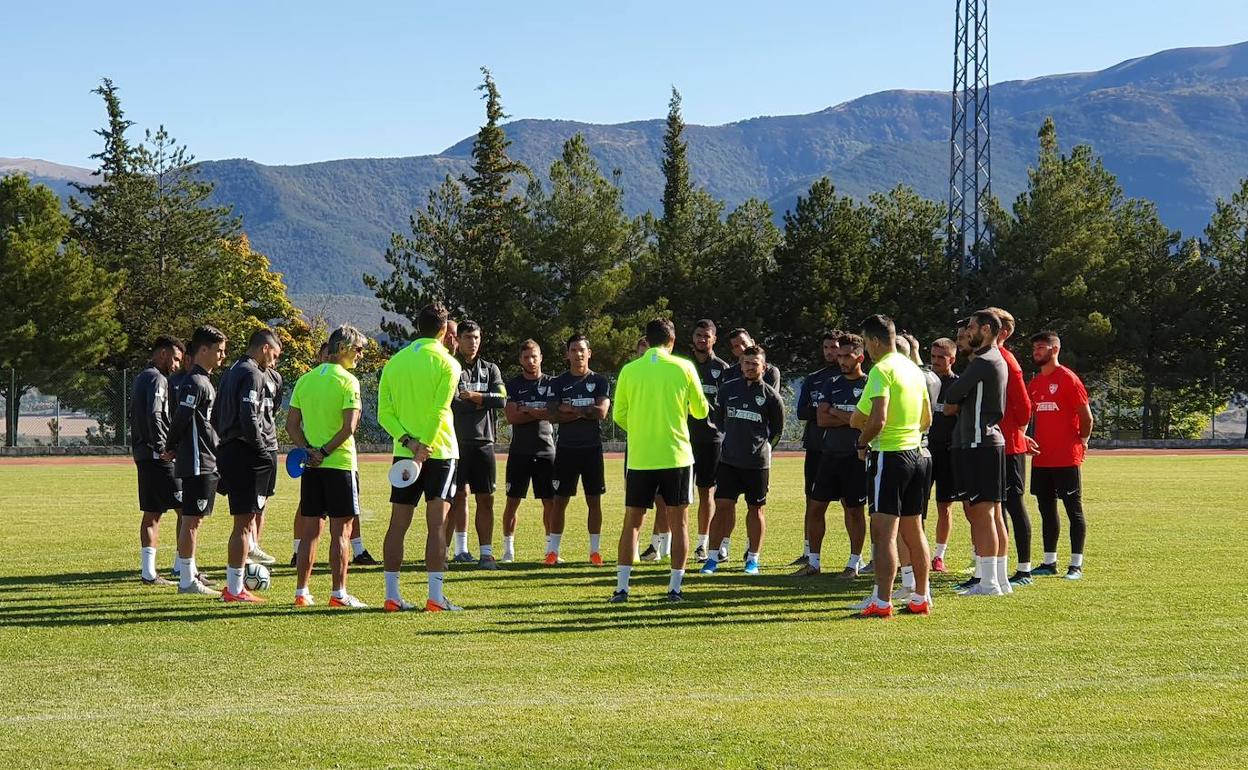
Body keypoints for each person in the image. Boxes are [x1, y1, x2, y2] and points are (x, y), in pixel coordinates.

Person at [609, 318, 710, 603]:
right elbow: (701, 411)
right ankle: (674, 588)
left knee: (632, 522)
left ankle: (622, 588)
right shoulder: (685, 367)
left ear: (647, 340)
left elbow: (619, 415)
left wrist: (643, 429)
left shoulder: (630, 370)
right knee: (679, 522)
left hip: (641, 457)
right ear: (672, 340)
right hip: (676, 455)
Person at [377, 303, 463, 612]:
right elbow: (439, 410)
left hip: (404, 453)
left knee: (398, 523)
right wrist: (423, 445)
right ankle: (435, 598)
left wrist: (409, 442)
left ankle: (391, 596)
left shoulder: (395, 363)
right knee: (436, 526)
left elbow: (383, 414)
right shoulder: (449, 364)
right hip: (439, 452)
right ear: (443, 330)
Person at [849, 314, 933, 617]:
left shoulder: (881, 371)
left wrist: (862, 441)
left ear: (872, 341)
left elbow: (875, 419)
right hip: (917, 454)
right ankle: (921, 597)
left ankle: (882, 602)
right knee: (915, 530)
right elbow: (927, 419)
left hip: (891, 455)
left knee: (883, 533)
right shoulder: (914, 370)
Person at [287, 325, 368, 608]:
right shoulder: (348, 381)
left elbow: (291, 425)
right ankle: (338, 593)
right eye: (358, 350)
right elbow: (350, 427)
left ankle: (301, 592)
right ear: (344, 349)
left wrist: (308, 450)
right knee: (341, 532)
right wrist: (323, 451)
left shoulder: (305, 380)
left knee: (310, 532)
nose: (360, 356)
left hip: (312, 467)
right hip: (340, 465)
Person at [941, 309, 1010, 596]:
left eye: (970, 327)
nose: (967, 333)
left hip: (977, 442)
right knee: (993, 513)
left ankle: (989, 582)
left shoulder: (982, 361)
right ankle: (1000, 579)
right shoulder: (995, 359)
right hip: (988, 442)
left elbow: (952, 395)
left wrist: (956, 398)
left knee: (982, 514)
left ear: (985, 329)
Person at [700, 345, 784, 575]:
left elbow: (777, 431)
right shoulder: (727, 390)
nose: (749, 367)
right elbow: (718, 420)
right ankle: (713, 557)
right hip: (728, 461)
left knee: (756, 510)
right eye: (746, 363)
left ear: (763, 367)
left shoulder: (772, 397)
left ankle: (753, 559)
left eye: (754, 364)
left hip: (757, 464)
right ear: (741, 365)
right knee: (723, 507)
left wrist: (764, 448)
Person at [213, 328, 283, 603]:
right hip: (246, 452)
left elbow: (217, 415)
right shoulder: (252, 373)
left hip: (232, 449)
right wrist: (261, 449)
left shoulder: (231, 371)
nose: (274, 363)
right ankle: (234, 589)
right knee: (244, 523)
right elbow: (248, 416)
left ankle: (235, 586)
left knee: (246, 519)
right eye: (274, 355)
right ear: (265, 348)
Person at [795, 333, 869, 578]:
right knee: (816, 507)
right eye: (839, 356)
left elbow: (866, 422)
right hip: (829, 455)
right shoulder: (830, 383)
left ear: (860, 356)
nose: (841, 361)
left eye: (846, 356)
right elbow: (821, 418)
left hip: (856, 456)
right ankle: (814, 563)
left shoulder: (869, 385)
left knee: (854, 511)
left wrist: (837, 412)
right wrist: (851, 418)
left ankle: (853, 564)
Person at [167, 325, 228, 597]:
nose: (222, 356)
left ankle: (188, 575)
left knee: (194, 519)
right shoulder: (194, 382)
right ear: (203, 350)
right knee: (192, 519)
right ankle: (186, 580)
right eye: (219, 350)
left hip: (205, 458)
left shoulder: (204, 380)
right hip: (196, 461)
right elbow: (181, 417)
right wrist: (171, 446)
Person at [1027, 331, 1093, 580]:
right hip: (1042, 458)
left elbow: (1087, 417)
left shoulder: (1068, 379)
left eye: (1041, 347)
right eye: (1034, 347)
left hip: (1066, 457)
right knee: (1046, 509)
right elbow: (1025, 415)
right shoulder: (1034, 384)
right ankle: (1048, 561)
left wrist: (1083, 440)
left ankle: (1076, 565)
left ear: (1054, 349)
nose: (1036, 351)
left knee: (1073, 509)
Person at [668, 319, 729, 563]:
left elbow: (725, 406)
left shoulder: (723, 369)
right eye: (698, 335)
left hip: (711, 439)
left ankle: (703, 543)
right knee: (678, 494)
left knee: (707, 492)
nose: (702, 339)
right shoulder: (682, 366)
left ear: (714, 339)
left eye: (707, 336)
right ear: (691, 338)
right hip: (682, 438)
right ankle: (671, 543)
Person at [547, 335, 612, 565]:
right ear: (567, 354)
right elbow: (553, 415)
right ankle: (552, 552)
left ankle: (595, 552)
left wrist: (570, 408)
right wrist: (585, 409)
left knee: (594, 501)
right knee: (559, 501)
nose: (578, 354)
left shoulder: (600, 381)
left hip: (592, 449)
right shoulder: (557, 382)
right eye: (573, 350)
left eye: (582, 350)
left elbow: (601, 413)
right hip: (566, 449)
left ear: (589, 352)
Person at [449, 320, 507, 569]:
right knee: (455, 497)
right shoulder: (451, 367)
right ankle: (458, 549)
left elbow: (502, 400)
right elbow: (452, 403)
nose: (472, 342)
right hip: (456, 442)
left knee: (486, 498)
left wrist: (473, 396)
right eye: (467, 337)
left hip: (485, 441)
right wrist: (485, 401)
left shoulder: (490, 368)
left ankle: (486, 554)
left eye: (476, 337)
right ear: (458, 340)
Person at [985, 307, 1036, 586]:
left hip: (1009, 447)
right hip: (994, 445)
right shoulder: (991, 358)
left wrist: (1017, 432)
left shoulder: (1006, 360)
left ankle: (1024, 569)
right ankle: (995, 567)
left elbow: (1025, 406)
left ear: (1002, 332)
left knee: (1013, 505)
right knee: (996, 507)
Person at [130, 336, 185, 586]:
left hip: (144, 454)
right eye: (174, 358)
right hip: (157, 456)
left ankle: (149, 573)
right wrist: (164, 446)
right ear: (162, 354)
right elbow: (154, 413)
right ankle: (183, 567)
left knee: (152, 513)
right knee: (188, 510)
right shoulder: (157, 379)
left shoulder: (142, 377)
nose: (176, 365)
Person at [501, 340, 556, 562]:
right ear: (520, 360)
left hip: (546, 451)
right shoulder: (513, 385)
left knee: (550, 503)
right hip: (520, 452)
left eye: (534, 356)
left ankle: (550, 550)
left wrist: (528, 409)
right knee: (512, 501)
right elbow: (512, 416)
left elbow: (554, 413)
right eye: (526, 357)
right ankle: (508, 550)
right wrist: (539, 410)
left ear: (541, 357)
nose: (531, 361)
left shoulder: (552, 384)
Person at [792, 331, 841, 566]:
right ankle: (807, 551)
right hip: (815, 447)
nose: (830, 352)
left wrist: (825, 411)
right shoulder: (814, 378)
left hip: (844, 450)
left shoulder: (851, 378)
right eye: (827, 347)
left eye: (834, 347)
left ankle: (861, 557)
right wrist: (831, 412)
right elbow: (802, 411)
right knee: (811, 500)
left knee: (853, 505)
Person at [927, 337, 965, 573]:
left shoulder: (959, 385)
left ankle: (939, 555)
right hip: (922, 451)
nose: (936, 361)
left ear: (952, 358)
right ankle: (911, 553)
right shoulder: (922, 381)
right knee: (916, 507)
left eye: (941, 357)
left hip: (948, 452)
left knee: (945, 506)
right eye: (933, 356)